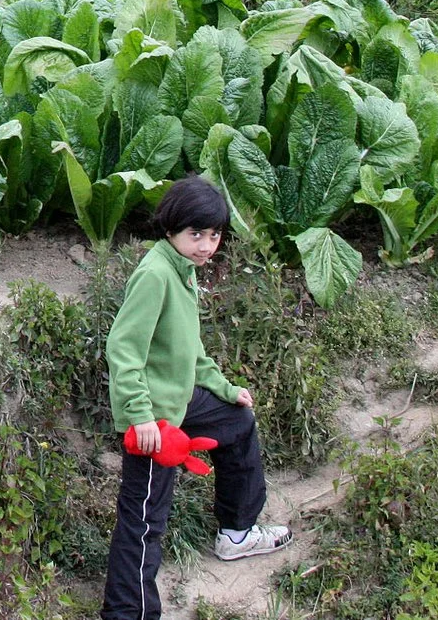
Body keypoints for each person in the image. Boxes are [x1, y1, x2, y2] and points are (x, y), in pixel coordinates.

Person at [102, 176, 292, 620]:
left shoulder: (182, 269)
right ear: (171, 229)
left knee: (238, 423)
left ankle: (237, 533)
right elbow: (124, 349)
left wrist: (226, 390)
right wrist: (141, 417)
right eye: (196, 234)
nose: (207, 245)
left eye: (214, 235)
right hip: (156, 421)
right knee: (144, 519)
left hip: (183, 401)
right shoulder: (155, 274)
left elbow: (191, 351)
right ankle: (128, 613)